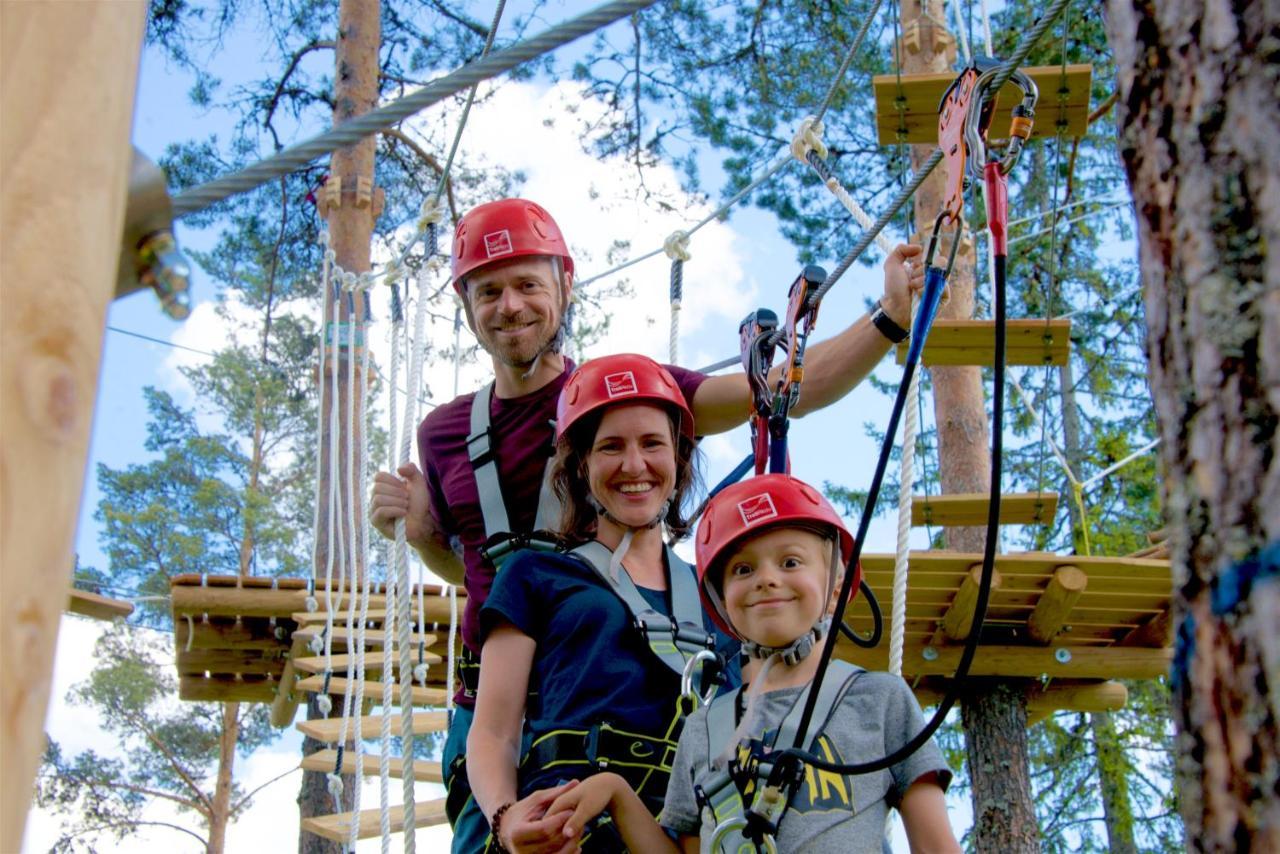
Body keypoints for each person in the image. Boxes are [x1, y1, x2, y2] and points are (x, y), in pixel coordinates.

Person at [368, 198, 926, 852]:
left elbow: (778, 391)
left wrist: (888, 320)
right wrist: (422, 534)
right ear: (465, 303)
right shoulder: (443, 435)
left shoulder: (624, 397)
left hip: (625, 676)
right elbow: (477, 575)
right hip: (499, 688)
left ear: (564, 287)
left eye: (528, 285)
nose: (511, 306)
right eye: (489, 291)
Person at [543, 473, 960, 853]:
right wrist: (616, 793)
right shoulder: (705, 729)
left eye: (790, 562)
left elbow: (936, 846)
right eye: (743, 569)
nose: (766, 578)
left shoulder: (880, 701)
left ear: (836, 588)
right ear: (723, 604)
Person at [467, 354, 740, 853]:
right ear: (581, 466)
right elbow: (494, 733)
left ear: (677, 463)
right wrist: (505, 818)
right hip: (563, 825)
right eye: (611, 446)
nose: (634, 465)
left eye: (652, 444)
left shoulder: (722, 600)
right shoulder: (535, 575)